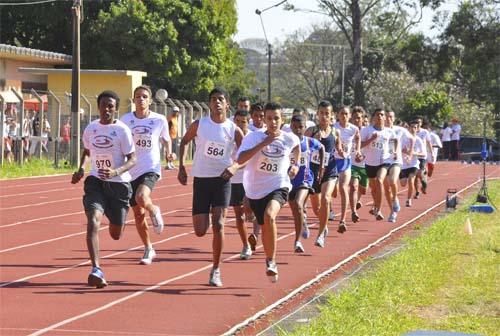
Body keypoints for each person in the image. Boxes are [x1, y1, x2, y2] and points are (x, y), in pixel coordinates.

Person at [177, 87, 243, 287]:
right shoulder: (200, 124)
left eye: (220, 99)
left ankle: (216, 269)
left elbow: (246, 153)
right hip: (201, 180)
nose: (216, 103)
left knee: (219, 224)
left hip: (222, 180)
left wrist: (234, 166)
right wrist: (181, 166)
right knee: (200, 230)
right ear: (209, 103)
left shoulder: (233, 129)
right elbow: (184, 141)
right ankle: (215, 265)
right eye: (213, 99)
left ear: (227, 104)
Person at [71, 90, 137, 288]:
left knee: (116, 233)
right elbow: (87, 150)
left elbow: (133, 159)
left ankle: (113, 214)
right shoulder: (91, 128)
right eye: (103, 105)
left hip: (119, 186)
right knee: (93, 222)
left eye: (111, 106)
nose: (107, 109)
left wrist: (116, 171)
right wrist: (82, 168)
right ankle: (96, 268)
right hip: (96, 182)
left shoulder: (122, 130)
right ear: (98, 106)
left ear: (116, 109)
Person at [237, 102, 300, 282]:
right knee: (264, 224)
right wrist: (264, 143)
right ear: (264, 119)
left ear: (282, 119)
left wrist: (294, 164)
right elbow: (241, 159)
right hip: (255, 190)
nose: (273, 122)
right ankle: (268, 254)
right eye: (269, 118)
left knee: (270, 216)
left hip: (278, 185)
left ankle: (271, 261)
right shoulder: (253, 137)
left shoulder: (289, 138)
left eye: (277, 118)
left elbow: (297, 148)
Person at [121, 85, 175, 265]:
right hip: (130, 171)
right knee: (138, 214)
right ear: (133, 100)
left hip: (150, 167)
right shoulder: (125, 120)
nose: (141, 99)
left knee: (142, 196)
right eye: (138, 96)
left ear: (150, 100)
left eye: (144, 96)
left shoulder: (159, 120)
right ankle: (148, 248)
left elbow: (166, 140)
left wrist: (169, 154)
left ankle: (155, 210)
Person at [305, 100, 340, 248]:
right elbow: (303, 149)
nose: (324, 116)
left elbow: (339, 149)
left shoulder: (334, 131)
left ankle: (320, 235)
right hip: (313, 172)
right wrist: (313, 142)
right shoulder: (311, 131)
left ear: (332, 115)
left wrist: (346, 152)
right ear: (317, 114)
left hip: (330, 170)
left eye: (327, 113)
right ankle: (323, 224)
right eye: (322, 113)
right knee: (316, 207)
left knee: (326, 199)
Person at [288, 115, 324, 253]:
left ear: (305, 128)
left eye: (301, 127)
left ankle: (297, 241)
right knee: (296, 210)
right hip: (290, 180)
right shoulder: (286, 141)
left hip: (305, 179)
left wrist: (321, 166)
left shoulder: (308, 142)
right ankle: (303, 221)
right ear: (291, 126)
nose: (297, 130)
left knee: (298, 203)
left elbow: (321, 147)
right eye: (295, 127)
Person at [230, 109, 255, 260]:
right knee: (239, 215)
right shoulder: (228, 136)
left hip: (252, 179)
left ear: (248, 122)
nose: (239, 125)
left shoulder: (253, 137)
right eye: (237, 121)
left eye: (243, 122)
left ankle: (259, 234)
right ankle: (246, 245)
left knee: (254, 213)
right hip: (235, 180)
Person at [360, 108, 394, 220]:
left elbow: (396, 141)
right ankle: (376, 206)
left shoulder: (389, 131)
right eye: (377, 114)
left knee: (380, 180)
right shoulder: (367, 130)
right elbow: (359, 145)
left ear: (385, 117)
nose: (380, 116)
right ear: (374, 117)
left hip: (384, 161)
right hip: (370, 163)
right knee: (373, 189)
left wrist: (395, 152)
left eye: (382, 114)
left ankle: (379, 210)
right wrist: (371, 139)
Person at [334, 106, 361, 232]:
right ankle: (329, 211)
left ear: (349, 115)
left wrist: (358, 150)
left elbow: (357, 138)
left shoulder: (353, 128)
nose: (344, 116)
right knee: (332, 192)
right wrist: (338, 149)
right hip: (332, 161)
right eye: (342, 114)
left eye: (346, 114)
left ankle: (343, 220)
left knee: (343, 188)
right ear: (338, 115)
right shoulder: (334, 127)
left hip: (345, 161)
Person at [382, 110, 408, 223]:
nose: (388, 119)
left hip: (396, 160)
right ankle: (392, 211)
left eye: (391, 117)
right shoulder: (380, 131)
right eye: (386, 116)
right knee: (386, 189)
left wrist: (408, 152)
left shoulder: (400, 130)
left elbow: (413, 138)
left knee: (392, 181)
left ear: (394, 118)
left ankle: (395, 198)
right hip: (382, 161)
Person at [349, 107, 368, 222]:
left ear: (363, 119)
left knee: (363, 190)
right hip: (352, 163)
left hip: (365, 165)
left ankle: (357, 201)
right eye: (355, 118)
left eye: (359, 118)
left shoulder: (367, 131)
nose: (357, 120)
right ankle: (353, 212)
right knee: (353, 186)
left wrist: (362, 155)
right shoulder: (349, 130)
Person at [400, 120, 425, 207]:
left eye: (415, 127)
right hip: (403, 165)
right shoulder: (404, 139)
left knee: (411, 180)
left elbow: (423, 154)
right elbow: (398, 149)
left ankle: (408, 199)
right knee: (403, 184)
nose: (413, 129)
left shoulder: (419, 140)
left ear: (417, 129)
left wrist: (412, 153)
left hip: (413, 164)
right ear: (408, 128)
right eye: (411, 127)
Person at [414, 116, 433, 198]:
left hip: (422, 156)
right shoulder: (411, 131)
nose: (418, 123)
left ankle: (424, 184)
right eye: (416, 122)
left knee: (420, 174)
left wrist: (431, 153)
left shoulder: (424, 132)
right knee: (414, 176)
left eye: (419, 122)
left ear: (421, 123)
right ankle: (417, 192)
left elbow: (429, 143)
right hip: (413, 156)